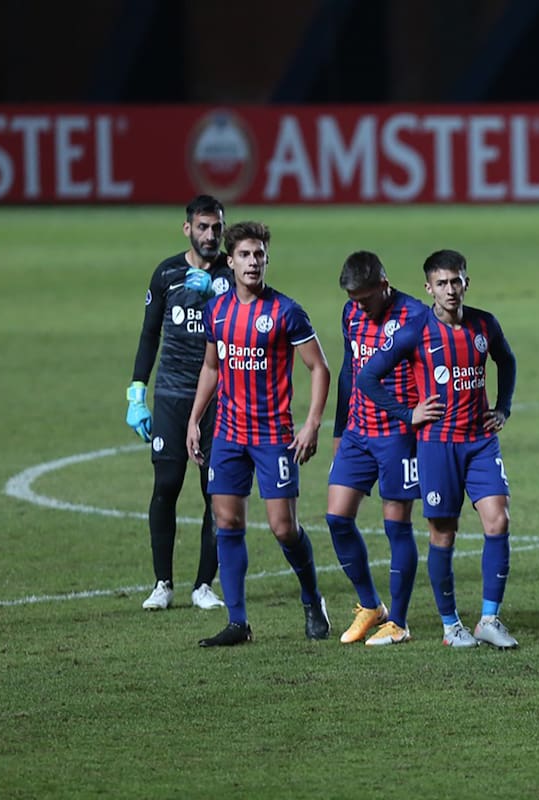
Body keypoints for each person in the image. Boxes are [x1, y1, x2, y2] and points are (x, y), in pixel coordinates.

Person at [357, 249, 519, 649]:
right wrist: (406, 413)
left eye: (456, 281)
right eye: (442, 283)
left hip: (481, 442)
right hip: (437, 445)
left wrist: (503, 407)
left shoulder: (485, 324)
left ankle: (489, 620)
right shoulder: (415, 332)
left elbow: (507, 360)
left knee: (498, 521)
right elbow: (368, 377)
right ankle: (450, 627)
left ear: (467, 282)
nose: (450, 289)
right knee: (443, 533)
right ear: (429, 288)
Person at [187, 221, 332, 647]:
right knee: (226, 521)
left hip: (273, 435)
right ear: (229, 261)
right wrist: (195, 419)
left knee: (283, 528)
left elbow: (319, 367)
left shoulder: (286, 311)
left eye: (260, 255)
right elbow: (213, 368)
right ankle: (238, 623)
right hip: (229, 433)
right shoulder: (218, 311)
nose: (253, 262)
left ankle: (312, 599)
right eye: (246, 255)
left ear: (268, 260)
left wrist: (312, 422)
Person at [126, 195, 232, 611]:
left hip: (218, 399)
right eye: (202, 227)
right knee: (166, 486)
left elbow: (245, 319)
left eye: (216, 228)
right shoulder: (167, 273)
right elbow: (150, 333)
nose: (210, 235)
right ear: (187, 228)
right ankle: (162, 583)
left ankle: (204, 584)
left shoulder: (233, 275)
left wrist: (215, 296)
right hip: (171, 394)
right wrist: (137, 391)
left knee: (215, 492)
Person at [327, 251, 429, 646]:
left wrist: (415, 417)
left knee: (396, 525)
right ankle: (371, 606)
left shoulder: (415, 316)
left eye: (366, 299)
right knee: (337, 518)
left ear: (384, 285)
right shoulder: (350, 314)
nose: (359, 306)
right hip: (357, 433)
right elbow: (349, 371)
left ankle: (399, 623)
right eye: (353, 299)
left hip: (399, 435)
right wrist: (338, 430)